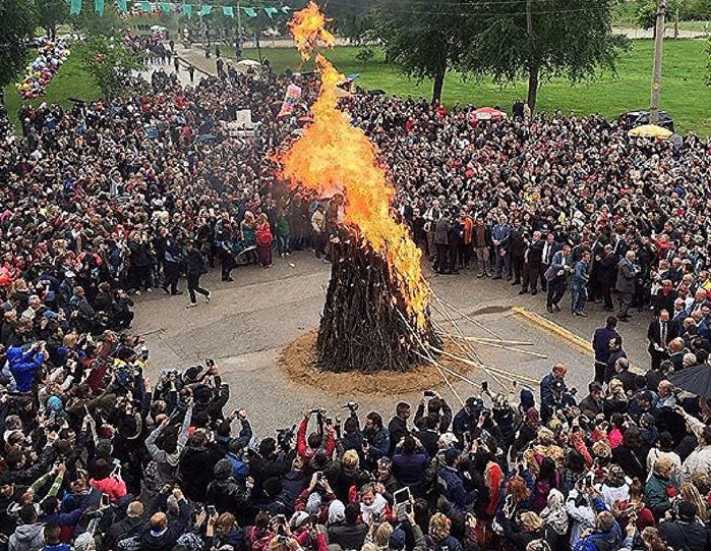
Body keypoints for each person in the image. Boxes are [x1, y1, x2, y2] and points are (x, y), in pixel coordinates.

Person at [545, 244, 572, 313]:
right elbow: (553, 264)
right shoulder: (557, 255)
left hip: (562, 276)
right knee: (551, 292)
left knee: (562, 290)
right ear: (564, 251)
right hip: (553, 275)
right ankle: (549, 305)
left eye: (569, 252)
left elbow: (569, 264)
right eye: (568, 252)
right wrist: (563, 266)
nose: (569, 253)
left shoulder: (568, 257)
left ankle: (555, 301)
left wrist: (570, 269)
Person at [592, 316, 620, 384]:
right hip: (607, 362)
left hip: (598, 359)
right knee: (610, 381)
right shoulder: (615, 336)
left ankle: (595, 391)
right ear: (615, 325)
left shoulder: (598, 331)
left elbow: (594, 344)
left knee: (597, 378)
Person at [184, 240, 210, 308]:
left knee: (195, 286)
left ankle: (206, 293)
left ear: (192, 246)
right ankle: (193, 301)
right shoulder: (187, 253)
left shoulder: (196, 252)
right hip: (190, 271)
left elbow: (202, 261)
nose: (188, 248)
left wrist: (200, 270)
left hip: (196, 271)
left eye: (189, 246)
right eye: (187, 246)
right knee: (190, 287)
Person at [616, 250, 640, 322]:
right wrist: (635, 272)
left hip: (622, 285)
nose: (635, 258)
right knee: (627, 301)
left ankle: (623, 312)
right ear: (630, 257)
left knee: (623, 300)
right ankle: (622, 315)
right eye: (634, 256)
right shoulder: (624, 264)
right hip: (626, 286)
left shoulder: (625, 262)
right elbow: (628, 275)